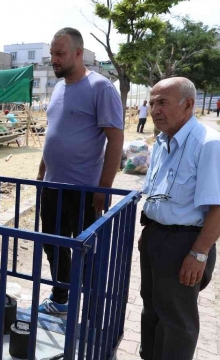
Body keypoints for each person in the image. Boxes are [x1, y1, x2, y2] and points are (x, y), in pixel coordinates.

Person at [36, 27, 124, 315]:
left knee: (86, 251)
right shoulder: (59, 87)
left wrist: (104, 187)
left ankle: (91, 309)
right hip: (52, 187)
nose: (54, 60)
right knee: (53, 244)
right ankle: (61, 299)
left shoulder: (101, 87)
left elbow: (115, 139)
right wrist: (41, 174)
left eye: (59, 54)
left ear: (78, 52)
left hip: (84, 190)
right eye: (52, 54)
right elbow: (54, 133)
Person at [139, 77, 220, 360]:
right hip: (155, 236)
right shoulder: (162, 141)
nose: (154, 110)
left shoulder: (208, 143)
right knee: (151, 307)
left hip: (184, 243)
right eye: (151, 103)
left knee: (177, 321)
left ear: (188, 105)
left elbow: (218, 208)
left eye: (163, 102)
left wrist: (199, 254)